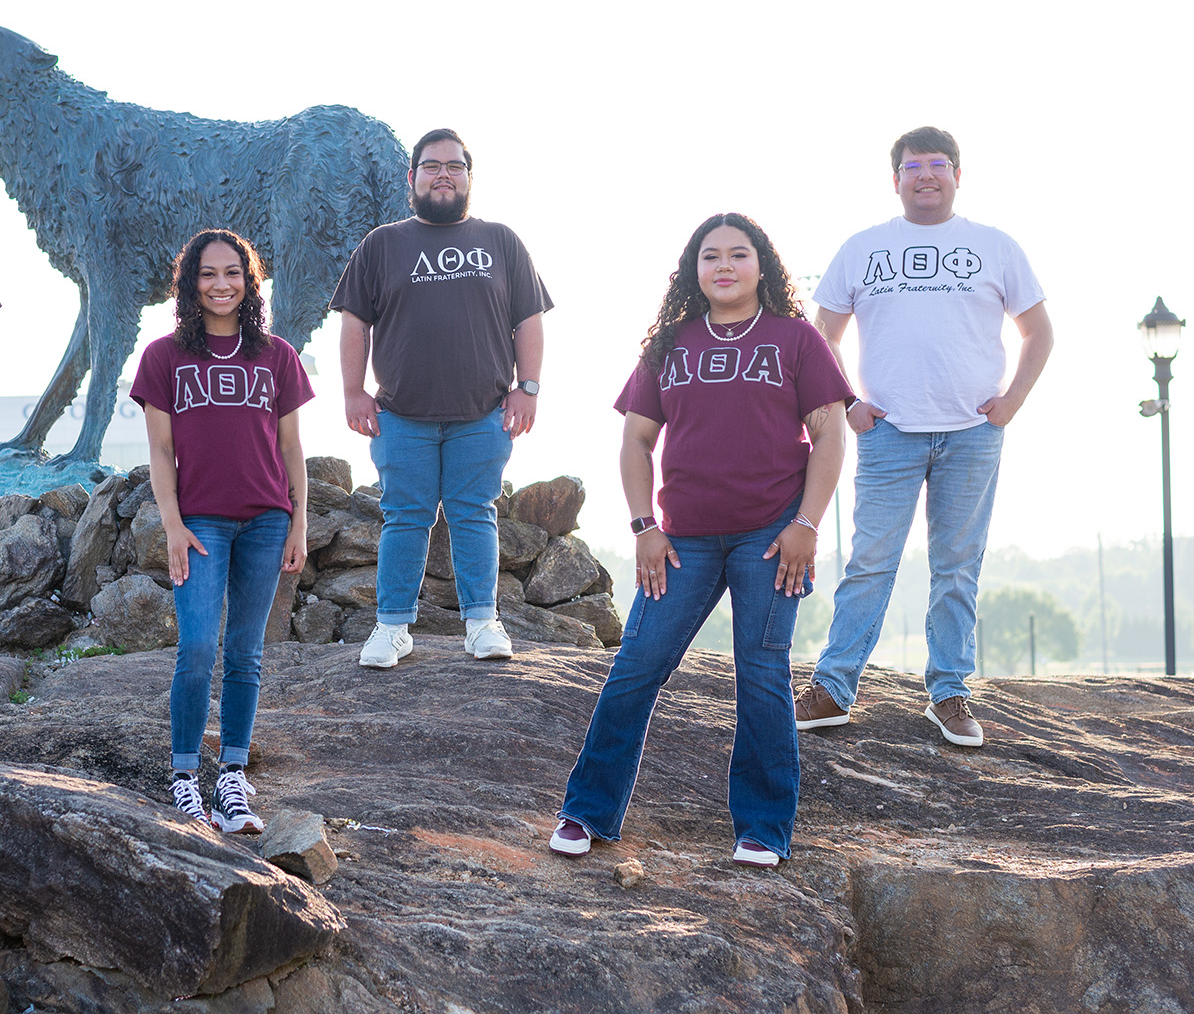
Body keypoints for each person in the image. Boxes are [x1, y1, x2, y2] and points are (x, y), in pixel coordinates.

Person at [551, 213, 851, 868]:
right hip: (681, 539)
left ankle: (763, 830)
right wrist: (644, 528)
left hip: (771, 536)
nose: (724, 265)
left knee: (762, 672)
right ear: (693, 270)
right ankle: (588, 813)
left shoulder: (795, 340)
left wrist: (806, 525)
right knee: (637, 665)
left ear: (761, 267)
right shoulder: (670, 344)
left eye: (738, 254)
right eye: (709, 254)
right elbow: (635, 440)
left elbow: (830, 434)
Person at [794, 127, 1053, 748]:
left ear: (958, 175)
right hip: (891, 434)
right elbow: (819, 335)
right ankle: (834, 687)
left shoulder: (995, 247)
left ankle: (949, 692)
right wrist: (849, 402)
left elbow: (1039, 332)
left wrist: (1011, 402)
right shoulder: (864, 248)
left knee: (957, 568)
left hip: (971, 433)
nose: (927, 175)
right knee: (869, 563)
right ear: (896, 180)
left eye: (939, 165)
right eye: (914, 166)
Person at [330, 128, 552, 669]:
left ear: (469, 177)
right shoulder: (382, 244)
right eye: (432, 166)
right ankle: (392, 629)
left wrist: (528, 388)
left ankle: (482, 624)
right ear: (412, 179)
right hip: (401, 415)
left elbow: (529, 320)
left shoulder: (501, 241)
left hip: (484, 413)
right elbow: (355, 322)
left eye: (454, 166)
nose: (443, 174)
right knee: (405, 517)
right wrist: (354, 392)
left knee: (475, 514)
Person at [131, 229, 312, 834]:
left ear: (249, 280)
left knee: (245, 653)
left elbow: (291, 448)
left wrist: (299, 523)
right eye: (207, 274)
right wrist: (173, 525)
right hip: (201, 521)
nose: (220, 284)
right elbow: (160, 450)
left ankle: (233, 778)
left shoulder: (277, 356)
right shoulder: (163, 357)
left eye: (232, 273)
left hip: (266, 520)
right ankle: (184, 778)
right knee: (199, 645)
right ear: (189, 283)